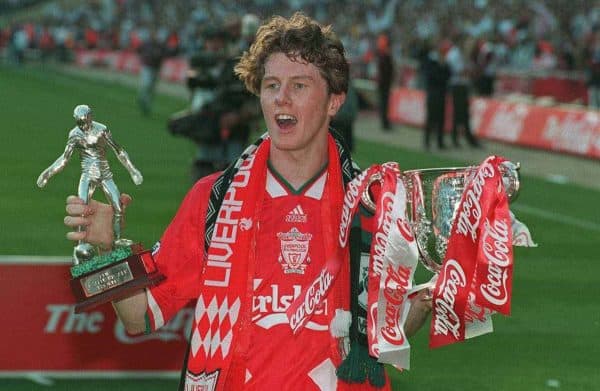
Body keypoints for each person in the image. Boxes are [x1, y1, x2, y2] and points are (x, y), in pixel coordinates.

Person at [64, 13, 432, 390]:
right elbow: (139, 317)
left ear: (334, 101)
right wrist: (105, 250)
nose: (281, 98)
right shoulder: (215, 199)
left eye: (299, 86)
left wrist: (428, 301)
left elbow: (382, 337)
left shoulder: (372, 203)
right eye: (271, 85)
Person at [38, 104, 143, 263]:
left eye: (85, 122)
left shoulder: (102, 129)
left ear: (90, 117)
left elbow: (118, 150)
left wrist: (133, 170)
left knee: (118, 208)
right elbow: (64, 159)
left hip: (105, 174)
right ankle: (80, 246)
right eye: (80, 123)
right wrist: (47, 173)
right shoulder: (74, 134)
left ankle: (116, 239)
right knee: (82, 210)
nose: (84, 126)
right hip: (87, 175)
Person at [445, 37, 481, 148]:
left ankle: (466, 138)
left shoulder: (463, 54)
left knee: (464, 113)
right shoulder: (454, 54)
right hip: (457, 86)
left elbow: (470, 70)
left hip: (463, 85)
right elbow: (460, 71)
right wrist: (469, 72)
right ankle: (456, 138)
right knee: (459, 113)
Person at [422, 40, 451, 150]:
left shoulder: (445, 64)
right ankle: (427, 142)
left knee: (440, 119)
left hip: (441, 95)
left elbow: (448, 76)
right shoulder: (432, 63)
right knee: (431, 118)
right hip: (433, 94)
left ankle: (440, 142)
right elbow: (435, 78)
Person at [137, 29, 169, 116]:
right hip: (147, 66)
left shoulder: (161, 45)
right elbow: (139, 50)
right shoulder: (147, 43)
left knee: (151, 88)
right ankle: (142, 99)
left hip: (156, 68)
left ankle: (147, 105)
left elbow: (166, 54)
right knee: (146, 85)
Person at [375, 33, 394, 131]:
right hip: (384, 83)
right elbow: (388, 71)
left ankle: (384, 123)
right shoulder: (385, 56)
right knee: (384, 104)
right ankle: (385, 123)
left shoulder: (382, 55)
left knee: (384, 104)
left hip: (383, 83)